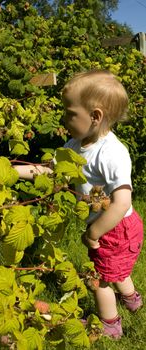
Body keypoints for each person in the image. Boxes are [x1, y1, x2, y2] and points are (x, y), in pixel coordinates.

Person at [14, 70, 144, 339]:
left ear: (95, 116)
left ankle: (110, 326)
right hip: (108, 226)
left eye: (69, 112)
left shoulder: (111, 153)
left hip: (115, 227)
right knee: (116, 267)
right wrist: (14, 170)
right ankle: (132, 300)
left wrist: (94, 233)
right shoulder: (75, 144)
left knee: (100, 278)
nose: (63, 118)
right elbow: (53, 170)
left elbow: (121, 203)